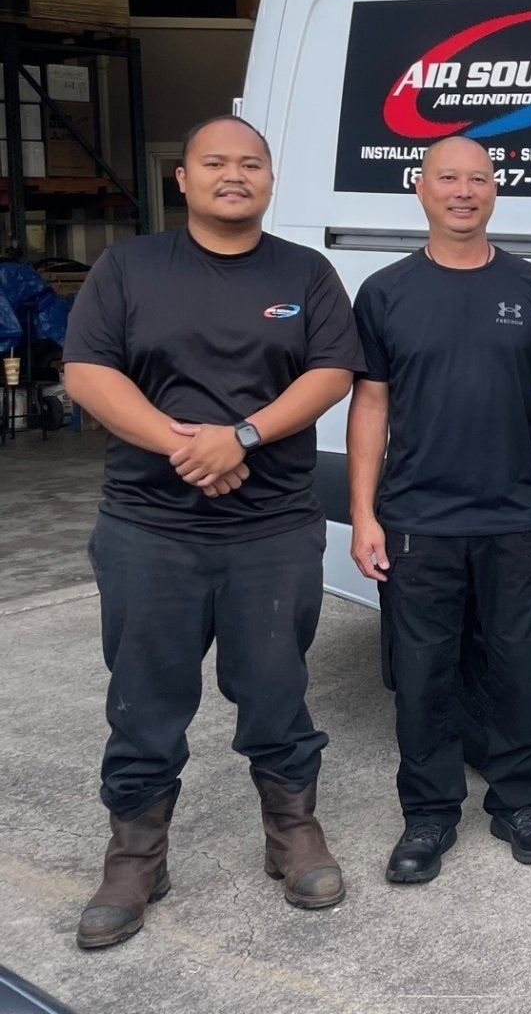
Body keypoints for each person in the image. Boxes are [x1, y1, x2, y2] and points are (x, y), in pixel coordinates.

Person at [62, 116, 361, 948]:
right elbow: (87, 371)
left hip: (271, 526)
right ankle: (136, 857)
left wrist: (245, 436)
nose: (235, 175)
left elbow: (332, 371)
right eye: (216, 162)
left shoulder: (305, 272)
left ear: (270, 179)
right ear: (184, 179)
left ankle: (292, 832)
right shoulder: (128, 267)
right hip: (149, 524)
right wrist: (190, 446)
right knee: (145, 693)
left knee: (276, 685)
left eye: (251, 163)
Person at [346, 136, 531, 884]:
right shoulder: (385, 291)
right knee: (423, 675)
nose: (463, 191)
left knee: (518, 667)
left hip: (517, 515)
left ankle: (519, 802)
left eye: (478, 178)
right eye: (447, 177)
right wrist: (363, 514)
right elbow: (369, 405)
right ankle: (428, 814)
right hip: (417, 520)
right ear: (420, 188)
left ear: (494, 191)